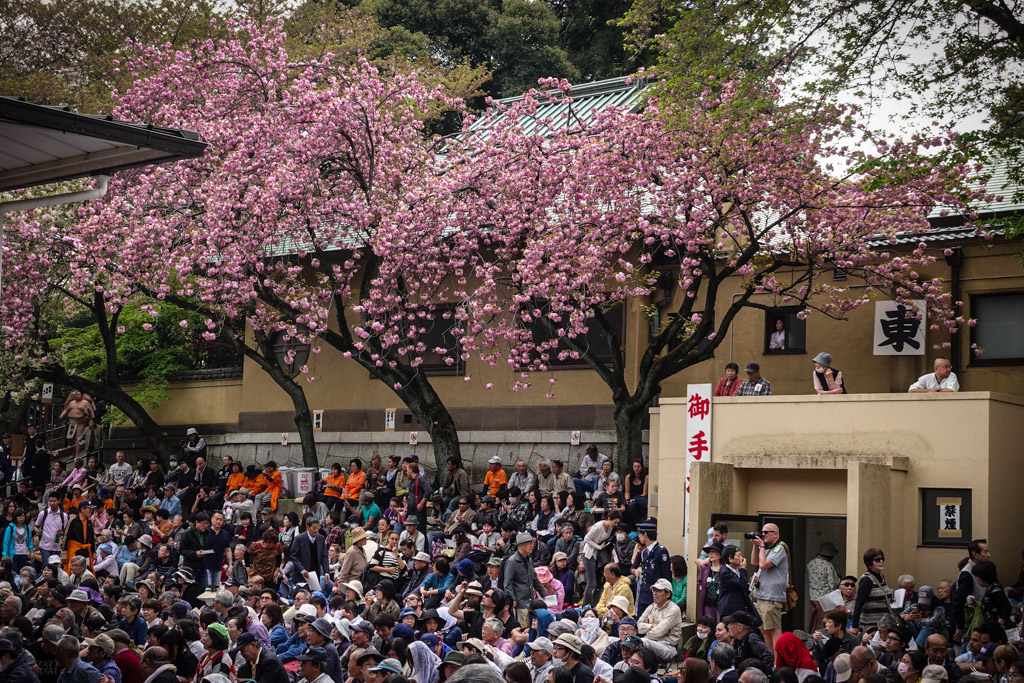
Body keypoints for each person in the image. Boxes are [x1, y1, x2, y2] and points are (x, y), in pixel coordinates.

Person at [750, 523, 788, 652]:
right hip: (761, 595)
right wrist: (755, 546)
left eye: (766, 532)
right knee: (764, 630)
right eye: (762, 532)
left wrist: (761, 546)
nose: (763, 534)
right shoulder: (767, 549)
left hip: (772, 597)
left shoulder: (780, 548)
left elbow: (764, 565)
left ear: (775, 534)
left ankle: (778, 660)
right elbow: (754, 562)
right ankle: (771, 658)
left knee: (773, 630)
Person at [503, 532, 545, 628]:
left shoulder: (529, 560)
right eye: (529, 543)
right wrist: (512, 599)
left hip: (531, 602)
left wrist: (543, 593)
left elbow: (534, 578)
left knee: (531, 627)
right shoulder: (512, 561)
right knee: (523, 628)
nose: (532, 546)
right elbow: (507, 584)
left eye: (532, 543)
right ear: (521, 546)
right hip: (520, 602)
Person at [636, 578, 683, 662]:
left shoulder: (674, 609)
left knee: (641, 641)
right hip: (649, 642)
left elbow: (659, 632)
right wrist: (652, 626)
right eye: (653, 590)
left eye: (658, 591)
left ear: (668, 594)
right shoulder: (651, 606)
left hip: (666, 647)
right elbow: (638, 627)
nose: (654, 593)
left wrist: (645, 629)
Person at [633, 518, 671, 617]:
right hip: (644, 588)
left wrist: (665, 592)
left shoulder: (660, 551)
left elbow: (666, 574)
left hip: (657, 590)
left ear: (645, 534)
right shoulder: (644, 552)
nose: (639, 536)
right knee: (641, 617)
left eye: (640, 534)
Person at [852, 548, 894, 634]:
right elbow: (859, 603)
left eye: (882, 559)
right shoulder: (867, 579)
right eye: (877, 560)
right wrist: (855, 626)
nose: (881, 561)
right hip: (871, 626)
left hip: (883, 625)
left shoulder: (881, 577)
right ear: (869, 563)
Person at [807, 542, 841, 630]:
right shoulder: (828, 565)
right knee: (823, 622)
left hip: (812, 597)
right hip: (825, 598)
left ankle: (812, 636)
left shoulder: (810, 564)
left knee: (813, 621)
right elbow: (833, 583)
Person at [291, 517, 329, 587]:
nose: (316, 530)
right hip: (301, 575)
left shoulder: (321, 538)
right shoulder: (299, 539)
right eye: (314, 528)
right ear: (307, 527)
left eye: (318, 527)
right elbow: (294, 556)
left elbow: (324, 556)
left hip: (315, 573)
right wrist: (302, 570)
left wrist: (326, 572)